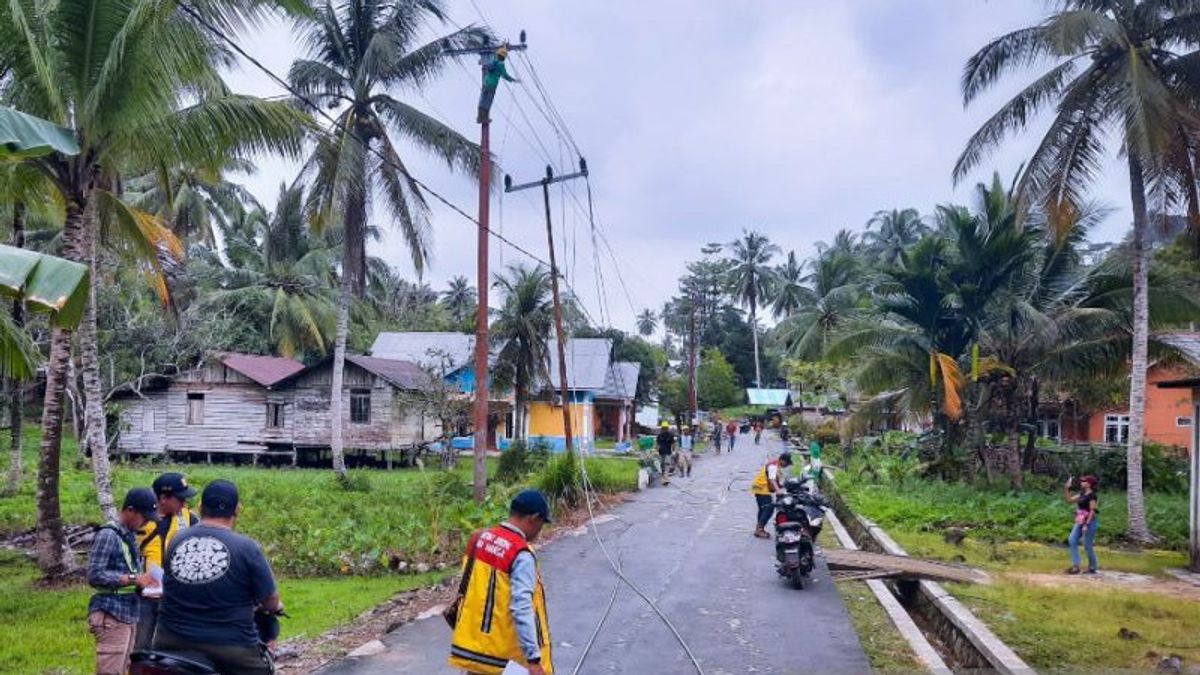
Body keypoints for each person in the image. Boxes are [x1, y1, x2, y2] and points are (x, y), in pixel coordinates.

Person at [154, 479, 281, 674]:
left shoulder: (176, 541)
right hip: (231, 646)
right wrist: (273, 607)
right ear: (237, 509)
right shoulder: (247, 547)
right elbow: (271, 601)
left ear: (200, 507)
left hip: (170, 640)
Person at [449, 489, 554, 675]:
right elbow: (521, 607)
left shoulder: (479, 539)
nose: (540, 530)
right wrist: (534, 659)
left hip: (472, 650)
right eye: (541, 523)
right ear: (534, 518)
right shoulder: (521, 554)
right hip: (502, 659)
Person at [87, 487, 157, 675]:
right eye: (144, 516)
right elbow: (94, 575)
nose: (146, 522)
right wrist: (133, 578)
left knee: (124, 668)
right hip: (111, 612)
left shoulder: (129, 534)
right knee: (111, 671)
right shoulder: (108, 535)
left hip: (128, 612)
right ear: (130, 510)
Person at [135, 471, 200, 650]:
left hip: (177, 596)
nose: (184, 503)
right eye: (180, 499)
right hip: (142, 597)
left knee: (175, 648)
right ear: (163, 498)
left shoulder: (190, 519)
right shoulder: (138, 519)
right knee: (139, 646)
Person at [749, 452, 793, 539]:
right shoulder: (773, 466)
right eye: (786, 463)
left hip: (759, 488)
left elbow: (775, 479)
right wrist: (778, 491)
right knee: (769, 508)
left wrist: (781, 485)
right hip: (762, 488)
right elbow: (772, 479)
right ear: (782, 460)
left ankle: (759, 528)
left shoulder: (775, 464)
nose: (786, 465)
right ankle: (759, 529)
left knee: (763, 509)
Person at [1064, 474, 1100, 574]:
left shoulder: (1092, 496)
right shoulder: (1082, 494)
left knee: (1087, 545)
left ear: (1089, 484)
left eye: (1083, 481)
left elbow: (1092, 511)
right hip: (1080, 521)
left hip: (1089, 522)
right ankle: (1076, 566)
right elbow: (1069, 500)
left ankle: (1093, 567)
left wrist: (1086, 525)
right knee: (1072, 540)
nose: (1081, 483)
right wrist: (1066, 489)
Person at [477, 44, 519, 123]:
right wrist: (513, 80)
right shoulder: (501, 65)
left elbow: (490, 61)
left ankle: (479, 116)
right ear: (504, 58)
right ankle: (484, 117)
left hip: (485, 82)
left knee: (482, 99)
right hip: (492, 85)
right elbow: (505, 75)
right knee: (488, 101)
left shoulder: (493, 60)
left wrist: (503, 47)